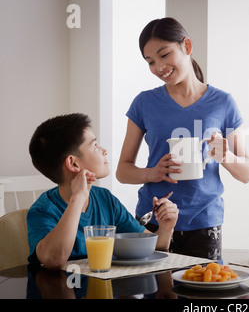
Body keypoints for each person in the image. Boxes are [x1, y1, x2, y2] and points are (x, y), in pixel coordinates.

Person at [116, 18, 249, 259]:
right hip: (153, 219)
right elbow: (122, 171)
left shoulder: (223, 103)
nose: (159, 67)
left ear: (186, 46)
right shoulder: (143, 103)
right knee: (154, 292)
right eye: (150, 62)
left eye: (164, 55)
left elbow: (247, 173)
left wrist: (226, 156)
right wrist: (152, 173)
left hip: (204, 222)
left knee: (201, 289)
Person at [27, 113, 179, 270]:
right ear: (73, 163)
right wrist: (77, 198)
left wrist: (166, 228)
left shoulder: (105, 199)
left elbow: (150, 246)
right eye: (94, 145)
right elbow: (54, 259)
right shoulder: (42, 211)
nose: (104, 150)